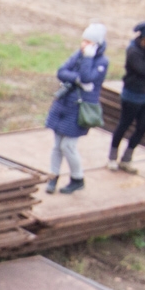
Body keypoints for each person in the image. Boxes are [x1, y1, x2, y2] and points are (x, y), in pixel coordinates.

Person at [43, 23, 108, 195]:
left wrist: (87, 58)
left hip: (80, 108)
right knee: (57, 144)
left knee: (68, 146)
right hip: (64, 104)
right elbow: (62, 71)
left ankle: (77, 178)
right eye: (83, 41)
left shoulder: (101, 62)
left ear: (96, 44)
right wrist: (78, 79)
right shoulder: (77, 55)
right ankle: (53, 177)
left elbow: (89, 77)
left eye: (88, 42)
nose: (83, 45)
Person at [109, 20, 145, 173]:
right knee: (123, 125)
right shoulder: (133, 51)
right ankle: (112, 157)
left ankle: (127, 158)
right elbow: (143, 70)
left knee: (141, 128)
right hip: (132, 96)